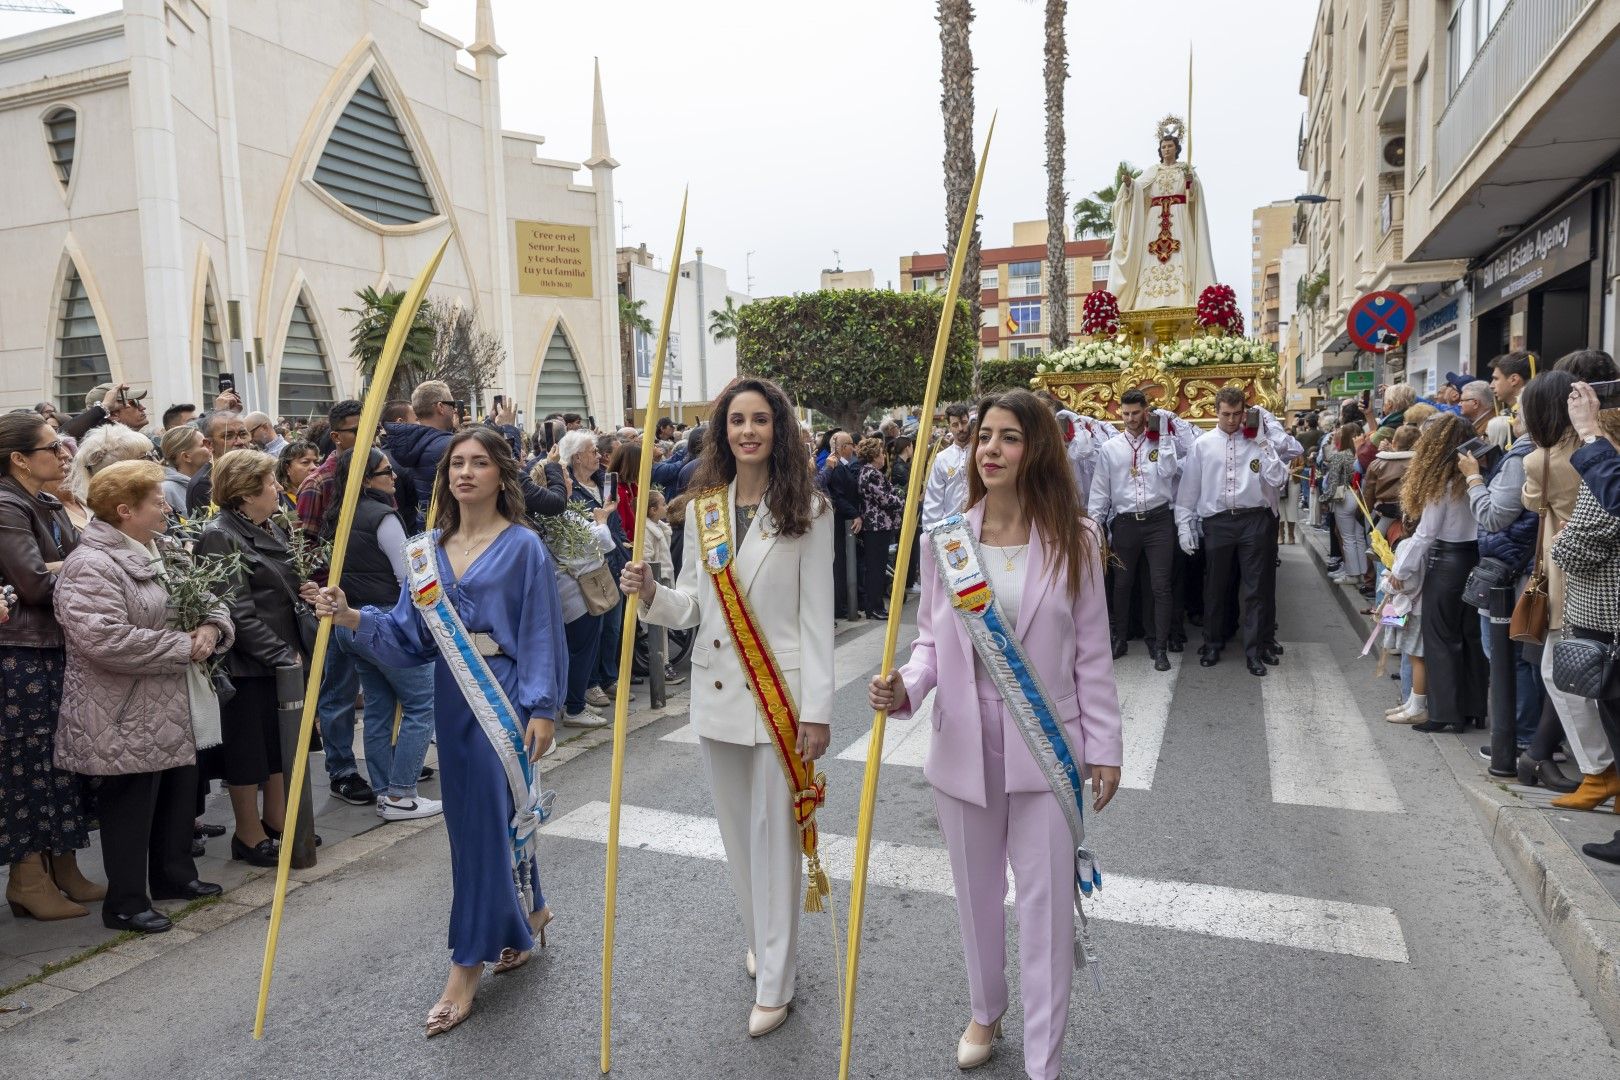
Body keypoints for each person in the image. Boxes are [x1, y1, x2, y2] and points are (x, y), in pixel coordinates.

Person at [868, 387, 1122, 1079]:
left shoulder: (1077, 538)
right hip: (964, 744)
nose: (992, 449)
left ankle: (1045, 1060)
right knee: (977, 898)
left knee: (1044, 914)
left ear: (1036, 447)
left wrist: (1104, 747)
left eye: (1009, 437)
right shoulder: (944, 540)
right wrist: (907, 687)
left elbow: (1092, 652)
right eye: (985, 437)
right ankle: (987, 1007)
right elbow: (930, 644)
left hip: (1048, 745)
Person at [315, 427, 565, 1037]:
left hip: (502, 693)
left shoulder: (524, 546)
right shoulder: (426, 549)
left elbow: (539, 629)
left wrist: (543, 707)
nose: (467, 472)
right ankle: (528, 913)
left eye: (480, 462)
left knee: (481, 825)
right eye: (458, 463)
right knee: (488, 816)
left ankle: (464, 967)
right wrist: (349, 615)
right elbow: (408, 636)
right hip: (456, 696)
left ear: (500, 474)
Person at [620, 376, 834, 1038]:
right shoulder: (704, 508)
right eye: (737, 420)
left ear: (779, 430)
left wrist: (818, 709)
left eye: (761, 420)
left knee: (775, 837)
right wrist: (650, 592)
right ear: (721, 432)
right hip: (717, 689)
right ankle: (763, 940)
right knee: (739, 838)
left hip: (780, 696)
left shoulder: (811, 509)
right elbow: (691, 606)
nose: (748, 430)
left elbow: (817, 617)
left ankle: (777, 978)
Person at [54, 461, 232, 933]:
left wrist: (212, 629)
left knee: (177, 793)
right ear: (124, 510)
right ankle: (126, 903)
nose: (167, 507)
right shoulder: (90, 564)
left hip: (171, 697)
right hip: (121, 708)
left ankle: (174, 876)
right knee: (131, 806)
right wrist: (183, 646)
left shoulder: (162, 546)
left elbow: (208, 598)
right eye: (157, 501)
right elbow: (104, 638)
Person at [194, 449, 319, 866]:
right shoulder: (221, 534)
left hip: (278, 659)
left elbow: (278, 587)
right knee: (248, 755)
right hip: (249, 665)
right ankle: (247, 835)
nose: (277, 489)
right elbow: (235, 610)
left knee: (278, 746)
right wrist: (282, 655)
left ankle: (277, 821)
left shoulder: (266, 526)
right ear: (245, 494)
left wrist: (306, 593)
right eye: (268, 483)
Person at [0, 412, 99, 921]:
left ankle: (64, 866)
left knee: (60, 764)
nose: (63, 454)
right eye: (50, 448)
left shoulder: (41, 501)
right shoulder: (5, 504)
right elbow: (34, 583)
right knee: (27, 769)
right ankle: (27, 878)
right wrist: (80, 567)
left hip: (52, 645)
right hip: (21, 653)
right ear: (19, 458)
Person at [321, 449, 441, 821]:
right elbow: (408, 577)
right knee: (422, 705)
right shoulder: (384, 517)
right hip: (385, 620)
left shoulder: (337, 513)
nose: (394, 477)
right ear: (367, 479)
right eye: (385, 471)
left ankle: (385, 788)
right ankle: (401, 793)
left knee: (378, 707)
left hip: (348, 620)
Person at [1519, 371, 1606, 792]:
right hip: (1606, 573)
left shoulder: (1541, 459)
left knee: (1561, 673)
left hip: (1568, 573)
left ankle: (1599, 769)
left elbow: (1531, 503)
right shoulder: (1603, 447)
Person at [1174, 389, 1298, 675]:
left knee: (1255, 589)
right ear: (1216, 412)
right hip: (1218, 522)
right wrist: (1185, 524)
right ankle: (1213, 643)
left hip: (1253, 519)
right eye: (1226, 414)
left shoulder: (1256, 441)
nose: (1231, 420)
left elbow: (1278, 479)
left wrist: (1264, 442)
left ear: (1245, 412)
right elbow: (1189, 488)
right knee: (1215, 587)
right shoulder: (1202, 445)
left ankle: (1254, 651)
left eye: (1236, 414)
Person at [1388, 414, 1488, 734]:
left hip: (1446, 562)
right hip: (1476, 559)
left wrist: (1399, 570)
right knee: (1471, 637)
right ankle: (1474, 708)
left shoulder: (1441, 483)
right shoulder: (1477, 478)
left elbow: (1425, 535)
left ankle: (1445, 712)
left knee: (1441, 639)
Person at [1088, 389, 1179, 669]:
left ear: (1146, 411)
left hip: (1159, 521)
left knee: (1160, 586)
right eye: (1125, 414)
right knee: (1122, 585)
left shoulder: (1162, 442)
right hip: (1126, 523)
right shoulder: (1110, 448)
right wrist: (1094, 525)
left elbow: (1168, 471)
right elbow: (1101, 489)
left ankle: (1159, 645)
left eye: (1136, 413)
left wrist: (1162, 436)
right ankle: (1120, 638)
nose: (1130, 419)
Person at [561, 430, 629, 711]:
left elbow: (614, 522)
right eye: (592, 451)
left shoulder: (604, 482)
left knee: (613, 625)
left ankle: (608, 676)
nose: (598, 456)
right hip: (587, 570)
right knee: (593, 630)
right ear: (577, 457)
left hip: (613, 561)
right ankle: (590, 684)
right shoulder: (567, 488)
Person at [384, 380, 458, 527]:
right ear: (441, 407)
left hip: (425, 526)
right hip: (452, 528)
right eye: (452, 405)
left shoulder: (411, 445)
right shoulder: (450, 446)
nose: (454, 410)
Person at [855, 437, 900, 620]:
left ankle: (875, 607)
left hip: (877, 526)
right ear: (874, 456)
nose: (883, 456)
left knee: (876, 567)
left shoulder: (869, 472)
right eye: (881, 453)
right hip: (877, 526)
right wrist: (904, 500)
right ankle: (874, 608)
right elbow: (886, 499)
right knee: (876, 568)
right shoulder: (871, 473)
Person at [1323, 423, 1369, 591]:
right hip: (1361, 496)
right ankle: (1363, 573)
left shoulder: (1340, 456)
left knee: (1348, 538)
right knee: (1358, 537)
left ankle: (1352, 573)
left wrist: (1323, 499)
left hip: (1344, 498)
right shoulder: (1363, 454)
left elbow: (1333, 484)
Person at [186, 410, 253, 513]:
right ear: (209, 444)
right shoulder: (203, 485)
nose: (239, 442)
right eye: (228, 436)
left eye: (243, 434)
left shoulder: (257, 470)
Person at [922, 403, 973, 526]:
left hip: (981, 526)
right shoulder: (942, 459)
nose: (961, 428)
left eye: (964, 422)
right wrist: (932, 531)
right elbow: (934, 499)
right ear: (949, 427)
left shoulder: (980, 451)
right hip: (952, 528)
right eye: (955, 424)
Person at [160, 426, 213, 516]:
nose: (210, 447)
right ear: (186, 456)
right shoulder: (166, 490)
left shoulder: (209, 479)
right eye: (203, 445)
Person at [276, 440, 319, 515]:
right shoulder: (277, 500)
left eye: (316, 462)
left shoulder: (320, 494)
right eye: (305, 462)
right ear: (287, 468)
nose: (314, 467)